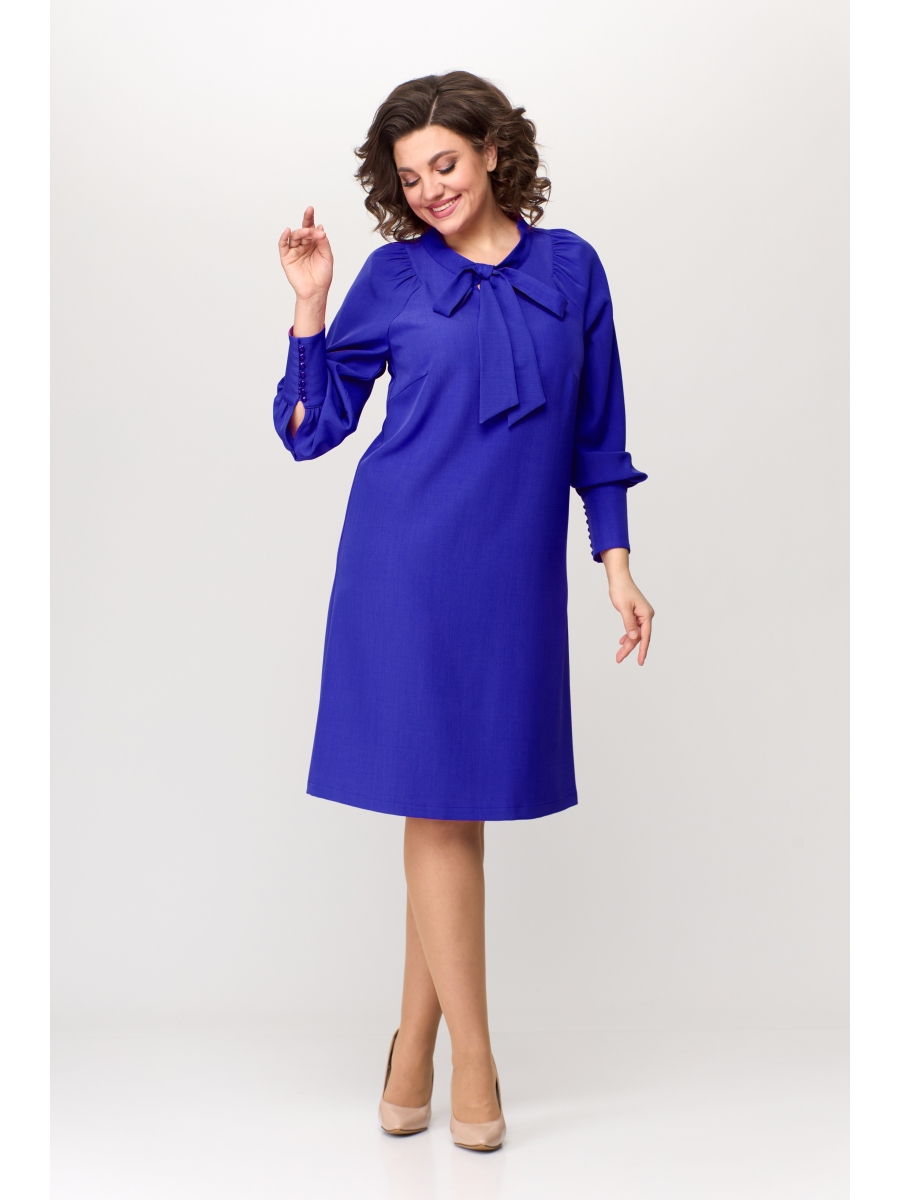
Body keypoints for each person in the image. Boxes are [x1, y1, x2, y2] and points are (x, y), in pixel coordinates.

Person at [273, 71, 653, 1152]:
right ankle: (475, 1062)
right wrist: (310, 304)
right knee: (441, 812)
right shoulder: (395, 276)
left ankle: (410, 1054)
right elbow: (309, 429)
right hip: (404, 569)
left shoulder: (573, 268)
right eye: (410, 177)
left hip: (513, 573)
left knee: (453, 806)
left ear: (491, 150)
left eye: (445, 162)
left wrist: (616, 564)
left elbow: (598, 432)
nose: (431, 188)